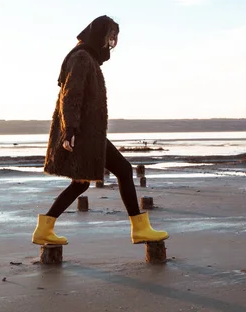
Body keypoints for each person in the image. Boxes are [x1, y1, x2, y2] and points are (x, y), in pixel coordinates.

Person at [32, 15, 169, 246]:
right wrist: (70, 130)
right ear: (98, 36)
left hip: (88, 131)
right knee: (124, 170)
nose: (110, 44)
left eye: (114, 40)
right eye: (109, 38)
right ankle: (139, 228)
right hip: (84, 132)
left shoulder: (87, 57)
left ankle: (44, 229)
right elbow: (70, 96)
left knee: (81, 182)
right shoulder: (82, 58)